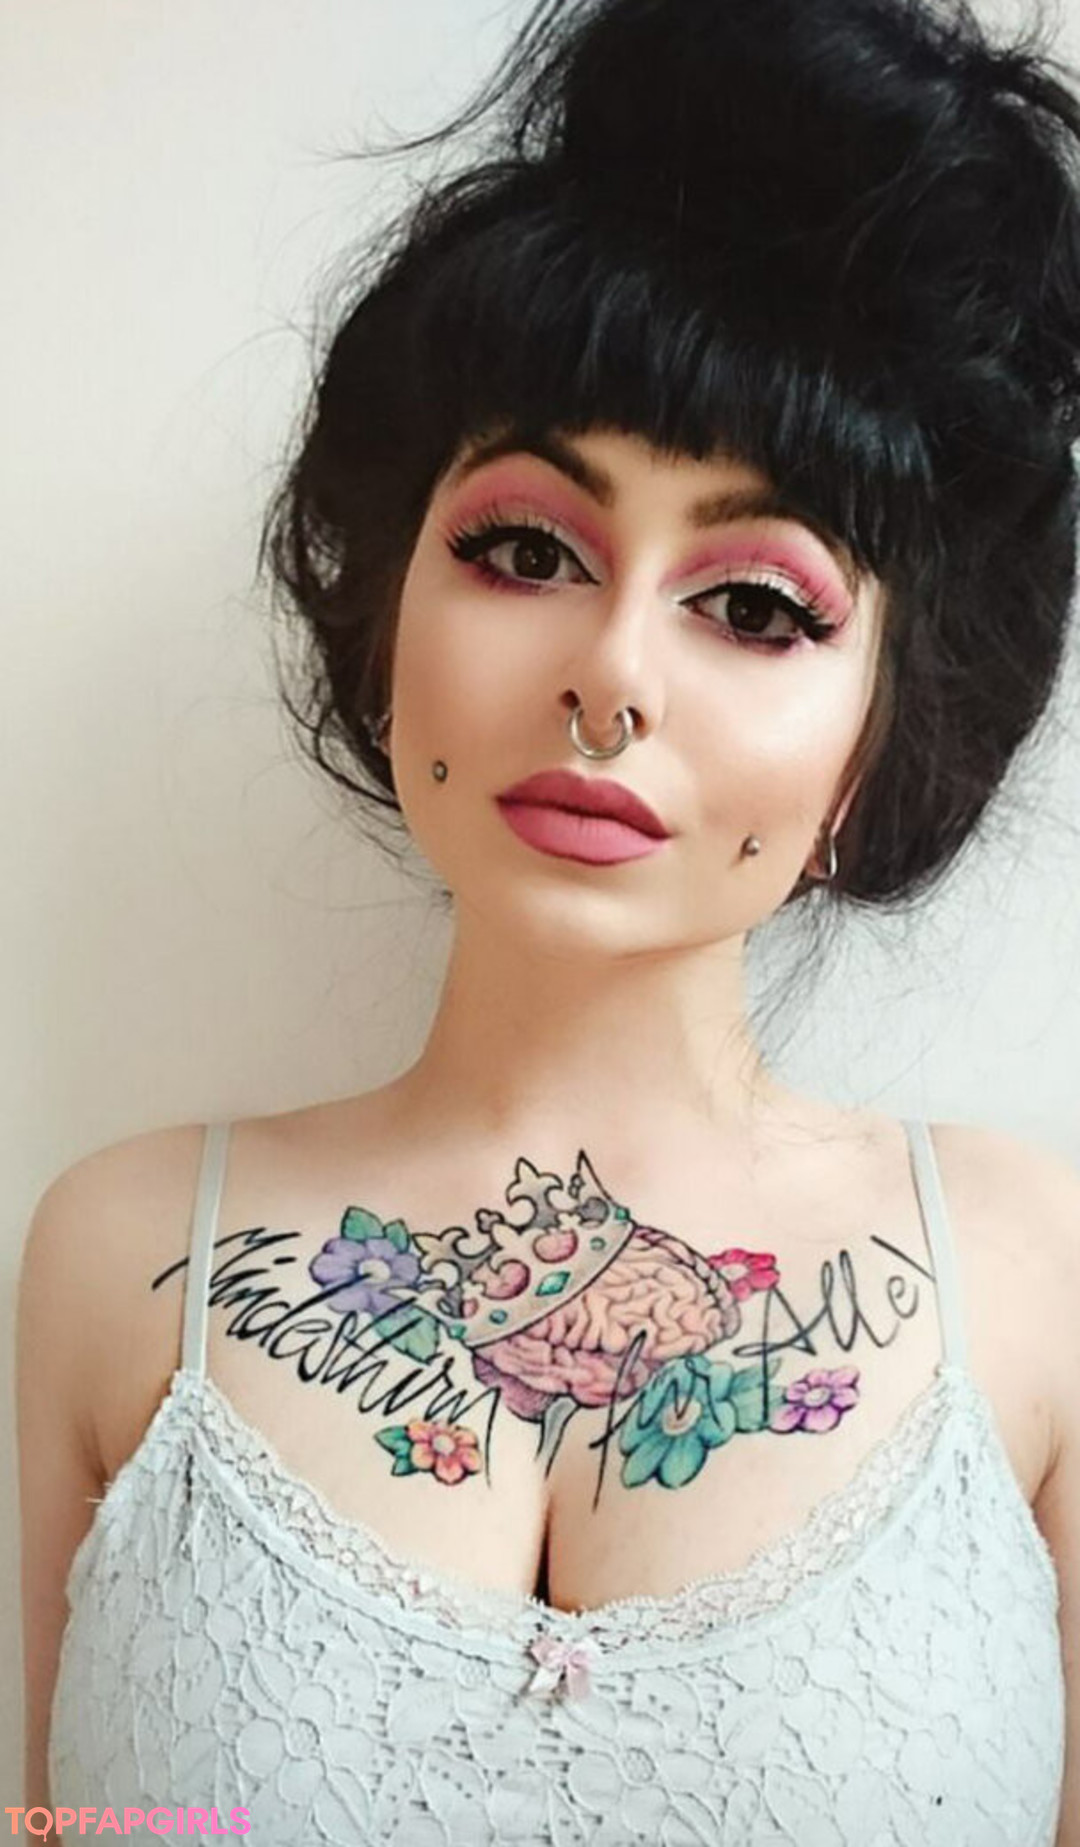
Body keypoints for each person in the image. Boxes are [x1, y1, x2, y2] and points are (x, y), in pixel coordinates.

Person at [18, 0, 1080, 1839]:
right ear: (387, 622)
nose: (612, 677)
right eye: (525, 551)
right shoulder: (117, 1259)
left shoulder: (1037, 1274)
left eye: (756, 606)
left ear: (883, 743)